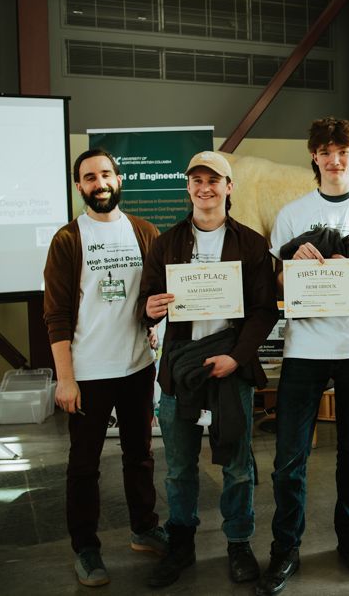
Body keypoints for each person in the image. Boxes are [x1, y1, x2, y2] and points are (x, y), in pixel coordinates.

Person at [257, 117, 349, 596]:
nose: (334, 158)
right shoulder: (292, 213)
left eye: (342, 150)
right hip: (304, 349)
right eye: (324, 150)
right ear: (314, 157)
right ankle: (286, 547)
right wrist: (291, 269)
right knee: (289, 456)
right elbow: (276, 282)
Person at [139, 150, 278, 588]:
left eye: (214, 180)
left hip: (230, 366)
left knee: (237, 465)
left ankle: (239, 542)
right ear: (188, 188)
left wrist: (236, 357)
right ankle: (182, 542)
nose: (205, 187)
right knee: (179, 467)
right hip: (180, 368)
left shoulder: (252, 245)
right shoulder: (166, 244)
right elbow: (146, 304)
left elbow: (263, 311)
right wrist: (150, 307)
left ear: (228, 187)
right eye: (197, 180)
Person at [43, 148, 166, 587]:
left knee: (141, 456)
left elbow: (154, 295)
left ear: (119, 180)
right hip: (88, 373)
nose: (100, 183)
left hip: (136, 367)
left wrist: (151, 322)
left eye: (106, 174)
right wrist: (66, 378)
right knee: (84, 465)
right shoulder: (68, 239)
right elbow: (55, 315)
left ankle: (144, 528)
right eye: (90, 177)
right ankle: (87, 549)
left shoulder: (144, 232)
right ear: (80, 186)